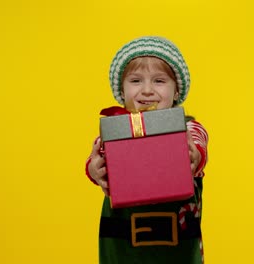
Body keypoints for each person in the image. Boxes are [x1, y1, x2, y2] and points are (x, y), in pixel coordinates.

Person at [85, 36, 209, 264]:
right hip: (123, 249)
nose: (147, 90)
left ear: (176, 92)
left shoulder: (188, 128)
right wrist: (94, 169)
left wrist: (194, 155)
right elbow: (96, 162)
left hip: (177, 249)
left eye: (159, 81)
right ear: (122, 91)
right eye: (136, 81)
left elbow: (199, 145)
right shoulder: (114, 131)